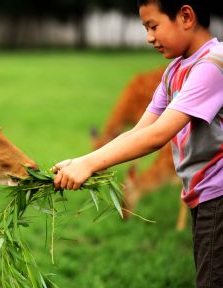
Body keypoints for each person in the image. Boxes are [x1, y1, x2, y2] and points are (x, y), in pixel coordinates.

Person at [52, 0, 222, 287]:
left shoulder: (213, 65)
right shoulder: (174, 72)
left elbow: (157, 137)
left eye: (153, 26)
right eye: (145, 28)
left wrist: (89, 164)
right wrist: (82, 161)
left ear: (186, 16)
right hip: (203, 197)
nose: (149, 38)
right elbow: (139, 130)